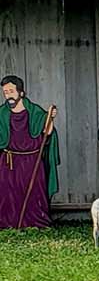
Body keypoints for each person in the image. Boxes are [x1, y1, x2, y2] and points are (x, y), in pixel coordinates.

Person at [0, 75, 59, 229]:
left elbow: (46, 132)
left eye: (11, 91)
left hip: (31, 161)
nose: (8, 96)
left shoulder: (34, 111)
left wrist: (49, 118)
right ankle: (8, 223)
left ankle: (34, 222)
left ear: (21, 93)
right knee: (7, 193)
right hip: (9, 160)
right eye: (5, 92)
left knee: (34, 192)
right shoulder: (1, 113)